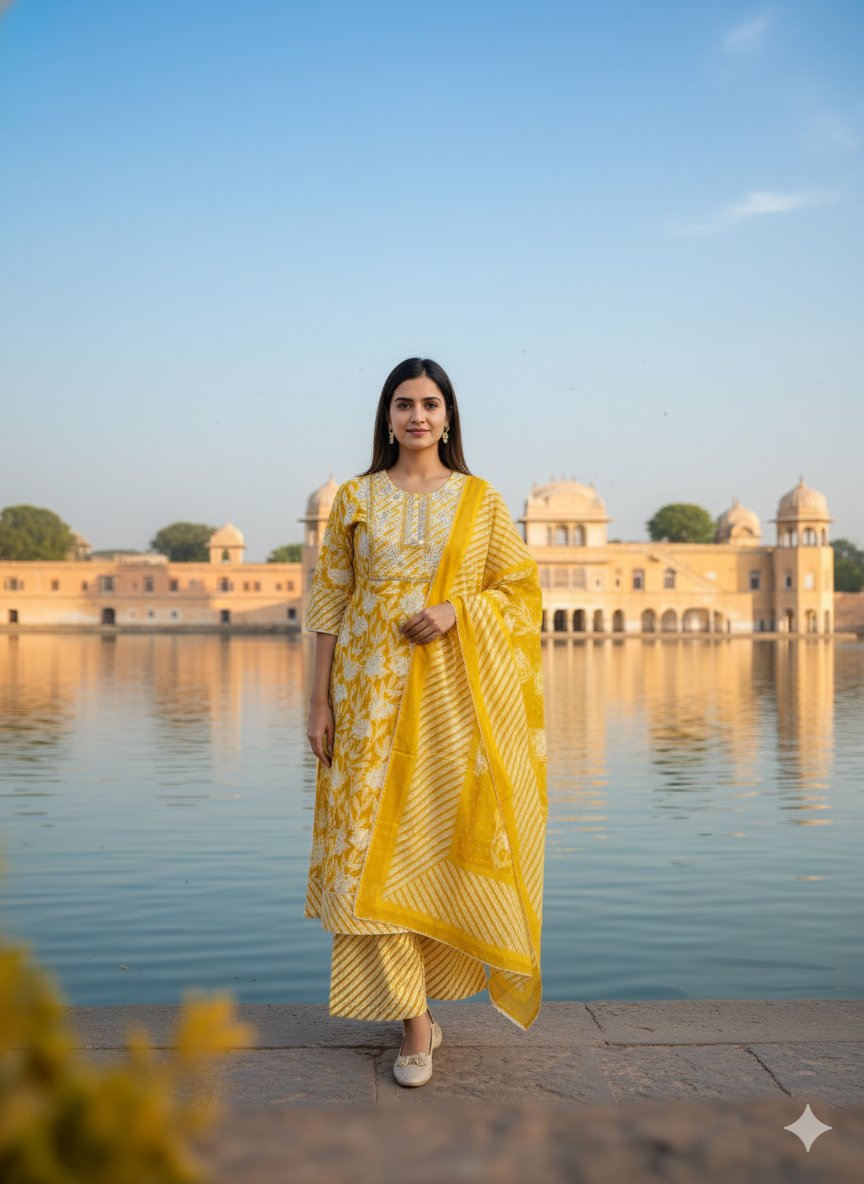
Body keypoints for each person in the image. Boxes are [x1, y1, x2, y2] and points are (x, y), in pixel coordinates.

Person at [305, 357, 547, 1088]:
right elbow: (328, 605)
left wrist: (456, 610)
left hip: (448, 710)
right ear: (387, 416)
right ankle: (415, 1023)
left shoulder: (481, 501)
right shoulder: (355, 497)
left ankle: (423, 1004)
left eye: (431, 404)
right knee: (362, 854)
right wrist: (318, 702)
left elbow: (523, 593)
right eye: (405, 403)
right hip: (366, 699)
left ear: (449, 418)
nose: (418, 415)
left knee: (427, 847)